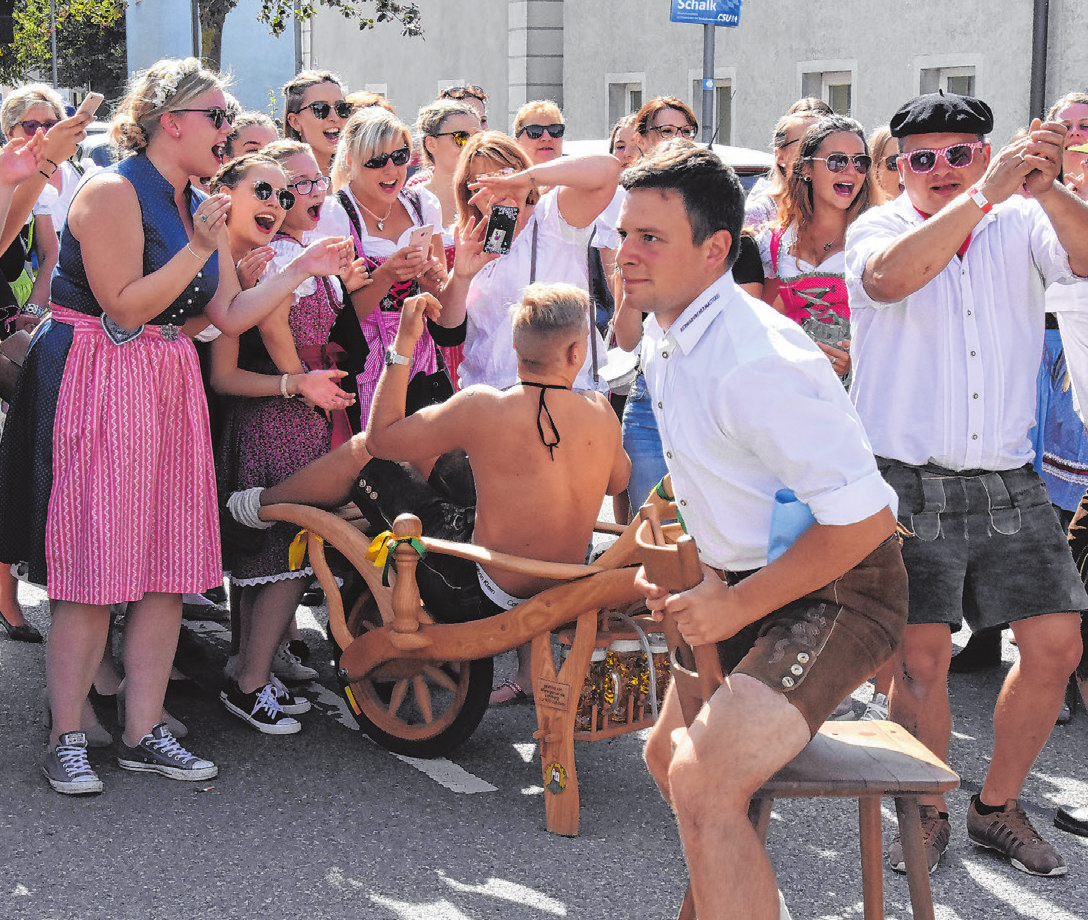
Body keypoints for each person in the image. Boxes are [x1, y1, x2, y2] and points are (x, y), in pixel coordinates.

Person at [0, 58, 355, 796]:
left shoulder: (196, 198)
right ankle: (66, 734)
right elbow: (124, 307)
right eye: (219, 117)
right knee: (93, 569)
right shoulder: (110, 191)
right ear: (174, 121)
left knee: (164, 566)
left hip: (166, 381)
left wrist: (298, 269)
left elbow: (223, 316)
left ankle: (142, 728)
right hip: (100, 375)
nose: (229, 130)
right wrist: (200, 244)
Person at [625, 141, 906, 920]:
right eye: (624, 235)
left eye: (651, 238)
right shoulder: (667, 326)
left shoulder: (759, 358)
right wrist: (682, 553)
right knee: (669, 759)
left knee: (704, 781)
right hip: (754, 577)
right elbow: (703, 466)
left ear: (716, 249)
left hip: (845, 591)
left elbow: (867, 523)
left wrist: (736, 607)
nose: (625, 254)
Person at [845, 91, 1088, 876]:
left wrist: (1047, 183)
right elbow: (888, 281)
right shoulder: (879, 226)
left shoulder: (1025, 218)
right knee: (921, 661)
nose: (943, 169)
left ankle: (994, 808)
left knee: (1055, 647)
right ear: (898, 169)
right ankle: (928, 812)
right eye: (924, 158)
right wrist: (988, 195)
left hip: (1008, 476)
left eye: (962, 153)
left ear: (987, 152)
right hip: (906, 480)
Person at [226, 282, 629, 627]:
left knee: (367, 453)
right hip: (567, 585)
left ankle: (258, 507)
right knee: (453, 462)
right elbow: (618, 482)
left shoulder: (483, 406)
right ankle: (258, 507)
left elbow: (380, 441)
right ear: (576, 353)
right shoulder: (599, 408)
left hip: (478, 593)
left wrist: (403, 343)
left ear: (515, 345)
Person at [210, 147, 359, 734]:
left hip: (302, 416)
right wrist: (299, 382)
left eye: (298, 188)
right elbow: (237, 359)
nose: (287, 200)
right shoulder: (264, 262)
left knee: (277, 557)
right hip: (278, 422)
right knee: (289, 552)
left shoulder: (294, 257)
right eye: (272, 191)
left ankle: (250, 670)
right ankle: (247, 683)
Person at [326, 107, 449, 429]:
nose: (392, 169)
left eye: (400, 155)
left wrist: (434, 282)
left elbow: (442, 304)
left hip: (421, 354)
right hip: (363, 359)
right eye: (376, 160)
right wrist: (386, 276)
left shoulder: (422, 204)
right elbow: (337, 322)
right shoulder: (334, 215)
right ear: (350, 161)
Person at [754, 114, 874, 386]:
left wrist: (855, 356)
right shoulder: (773, 243)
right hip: (790, 391)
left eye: (860, 162)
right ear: (806, 168)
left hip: (857, 398)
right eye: (837, 161)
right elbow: (760, 323)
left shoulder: (874, 238)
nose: (850, 170)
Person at [745, 99, 833, 230]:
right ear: (780, 156)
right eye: (805, 143)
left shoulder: (845, 210)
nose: (816, 153)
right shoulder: (758, 216)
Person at [282, 70, 351, 176]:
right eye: (320, 109)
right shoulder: (280, 182)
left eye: (341, 108)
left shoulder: (357, 178)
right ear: (295, 122)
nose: (334, 117)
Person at [513, 100, 565, 166]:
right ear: (516, 144)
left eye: (555, 130)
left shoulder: (578, 174)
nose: (547, 137)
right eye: (535, 131)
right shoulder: (503, 175)